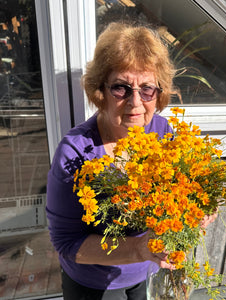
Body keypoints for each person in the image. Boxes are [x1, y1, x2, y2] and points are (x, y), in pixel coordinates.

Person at [46, 22, 215, 300]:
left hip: (149, 272)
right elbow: (67, 242)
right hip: (93, 283)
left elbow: (183, 190)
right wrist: (138, 249)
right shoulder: (75, 152)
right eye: (121, 88)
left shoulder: (162, 132)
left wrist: (201, 207)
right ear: (100, 90)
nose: (136, 102)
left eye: (147, 88)